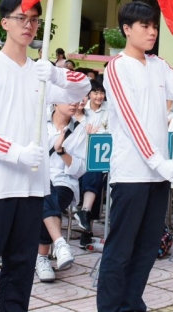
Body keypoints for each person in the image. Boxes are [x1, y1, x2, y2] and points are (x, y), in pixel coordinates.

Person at [0, 0, 90, 312]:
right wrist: (15, 152)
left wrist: (56, 72)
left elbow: (83, 87)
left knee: (20, 271)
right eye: (22, 18)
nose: (29, 25)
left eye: (34, 19)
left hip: (33, 187)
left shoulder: (41, 72)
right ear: (4, 22)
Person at [97, 1, 173, 312]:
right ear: (126, 29)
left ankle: (131, 303)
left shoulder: (160, 64)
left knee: (148, 247)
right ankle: (110, 307)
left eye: (154, 26)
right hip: (133, 172)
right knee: (121, 247)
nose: (152, 32)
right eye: (144, 26)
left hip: (158, 174)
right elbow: (131, 119)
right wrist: (157, 160)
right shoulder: (117, 67)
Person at [36, 100, 87, 281]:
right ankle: (59, 244)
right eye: (68, 99)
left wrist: (61, 152)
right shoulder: (39, 123)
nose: (74, 104)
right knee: (46, 194)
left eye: (77, 100)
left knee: (50, 199)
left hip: (65, 181)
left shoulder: (80, 129)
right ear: (55, 102)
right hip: (36, 178)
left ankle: (42, 257)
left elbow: (80, 169)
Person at [74, 79, 108, 235]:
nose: (99, 96)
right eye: (96, 93)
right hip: (76, 159)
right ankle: (85, 219)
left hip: (98, 159)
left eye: (102, 92)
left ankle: (86, 215)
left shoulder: (108, 110)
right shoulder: (79, 111)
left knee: (95, 169)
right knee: (94, 174)